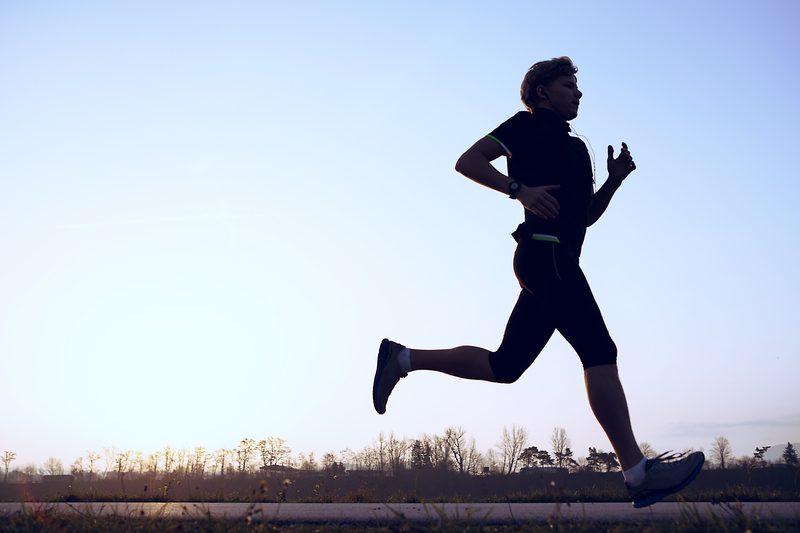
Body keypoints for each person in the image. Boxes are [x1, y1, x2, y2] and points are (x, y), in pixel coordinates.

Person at [372, 56, 704, 508]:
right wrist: (518, 190)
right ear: (543, 91)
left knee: (505, 365)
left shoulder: (577, 148)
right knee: (599, 349)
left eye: (578, 86)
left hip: (559, 257)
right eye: (569, 85)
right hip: (542, 252)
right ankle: (637, 473)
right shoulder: (524, 125)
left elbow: (584, 217)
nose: (579, 92)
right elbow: (467, 161)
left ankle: (402, 358)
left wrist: (614, 182)